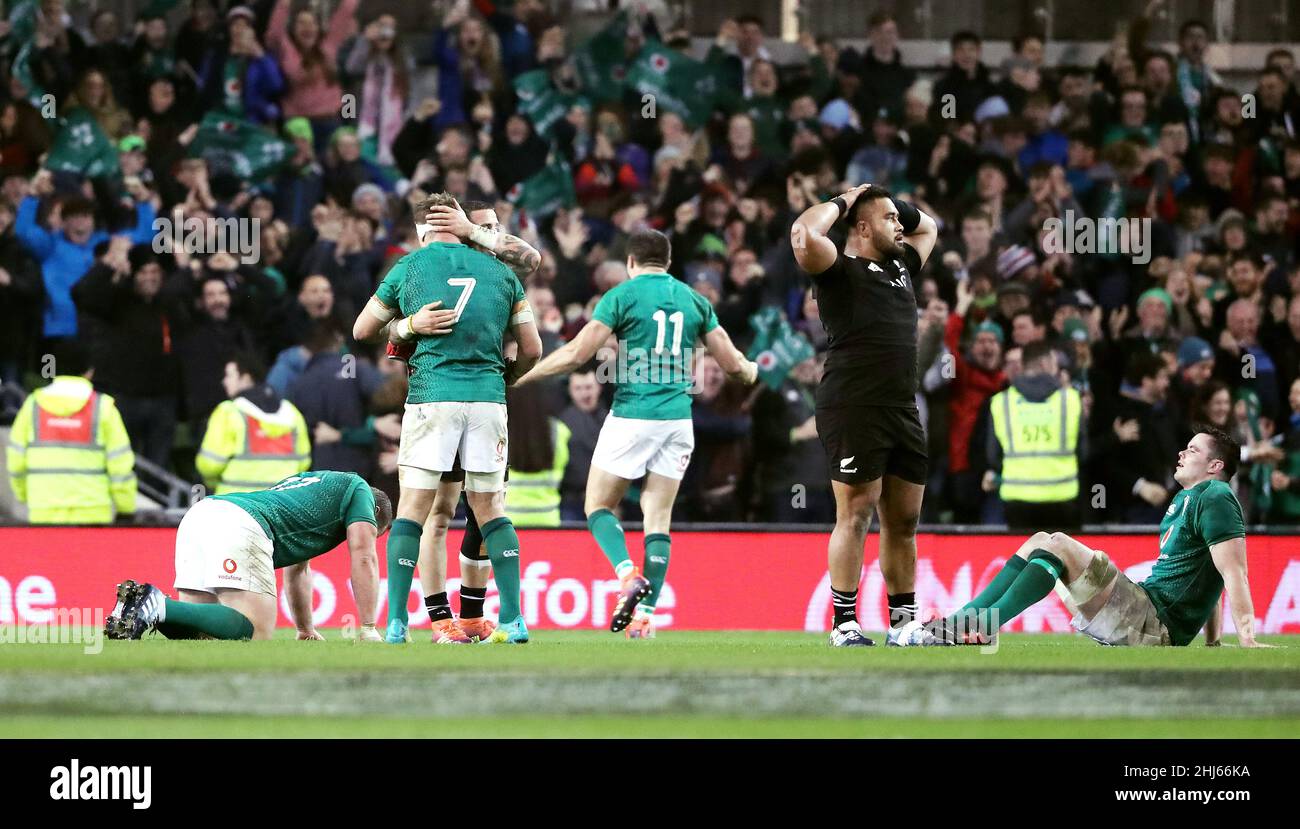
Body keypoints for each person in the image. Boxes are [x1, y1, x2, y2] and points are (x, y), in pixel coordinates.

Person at [514, 229, 759, 637]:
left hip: (633, 415)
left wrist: (524, 377)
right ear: (668, 260)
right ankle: (645, 617)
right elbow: (733, 363)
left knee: (597, 506)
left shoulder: (622, 296)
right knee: (657, 516)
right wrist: (751, 370)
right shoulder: (694, 300)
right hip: (679, 420)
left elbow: (577, 353)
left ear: (630, 263)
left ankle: (627, 575)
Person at [352, 192, 542, 644]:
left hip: (431, 399)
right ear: (459, 222)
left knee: (415, 512)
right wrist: (504, 378)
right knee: (491, 512)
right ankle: (513, 620)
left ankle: (397, 622)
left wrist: (409, 325)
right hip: (487, 401)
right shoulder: (501, 273)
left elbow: (362, 331)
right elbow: (533, 349)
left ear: (420, 232)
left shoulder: (409, 269)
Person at [894, 426, 1272, 649]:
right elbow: (1213, 574)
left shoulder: (1217, 496)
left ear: (1215, 466)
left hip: (1153, 623)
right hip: (1146, 612)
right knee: (1039, 540)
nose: (1181, 452)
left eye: (1192, 450)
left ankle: (975, 627)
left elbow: (1233, 572)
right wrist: (1211, 641)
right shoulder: (1192, 499)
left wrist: (1248, 638)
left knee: (1057, 542)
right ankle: (961, 623)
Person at [790, 183, 938, 646]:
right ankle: (844, 622)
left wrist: (889, 199)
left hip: (901, 407)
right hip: (852, 405)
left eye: (899, 218)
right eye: (890, 218)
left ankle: (903, 623)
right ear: (862, 226)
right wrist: (843, 201)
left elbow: (929, 226)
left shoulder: (900, 267)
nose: (900, 224)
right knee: (855, 513)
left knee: (904, 521)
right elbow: (801, 234)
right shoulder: (837, 267)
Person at [105, 471, 391, 642]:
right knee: (255, 629)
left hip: (202, 515)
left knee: (204, 634)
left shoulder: (309, 484)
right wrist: (368, 627)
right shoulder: (360, 490)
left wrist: (305, 629)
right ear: (376, 516)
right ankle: (156, 603)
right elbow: (365, 558)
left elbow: (297, 569)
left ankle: (137, 608)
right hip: (239, 522)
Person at [6, 340, 135, 524]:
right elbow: (120, 466)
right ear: (90, 371)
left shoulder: (33, 405)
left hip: (43, 511)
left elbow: (16, 461)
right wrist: (126, 508)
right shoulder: (103, 407)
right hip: (93, 513)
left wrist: (25, 495)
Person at [987, 339, 1083, 531]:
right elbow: (1083, 451)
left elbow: (993, 456)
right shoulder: (1070, 400)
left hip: (1017, 500)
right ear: (1045, 364)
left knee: (1025, 559)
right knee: (1060, 559)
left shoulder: (1001, 402)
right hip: (1062, 498)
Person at [197, 353, 311, 494]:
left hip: (236, 503)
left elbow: (210, 465)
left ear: (246, 378)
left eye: (229, 375)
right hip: (280, 504)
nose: (224, 381)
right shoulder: (292, 413)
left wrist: (213, 484)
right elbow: (303, 463)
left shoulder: (229, 412)